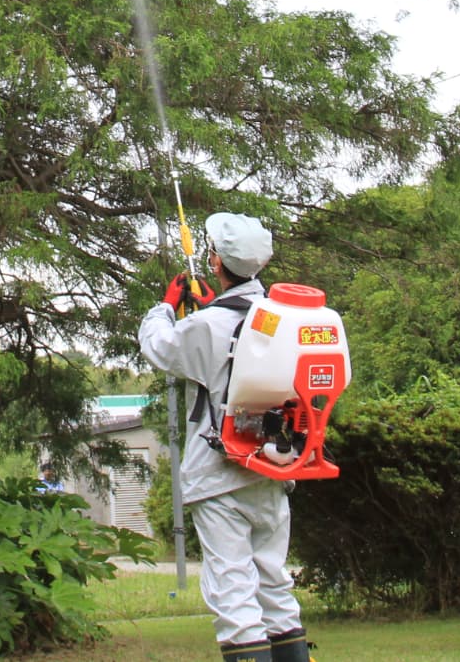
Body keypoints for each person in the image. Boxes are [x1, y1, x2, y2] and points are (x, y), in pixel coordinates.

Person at [139, 213, 310, 662]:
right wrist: (217, 306)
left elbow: (160, 346)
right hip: (272, 467)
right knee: (274, 584)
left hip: (219, 475)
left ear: (215, 261)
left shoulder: (207, 325)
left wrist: (165, 306)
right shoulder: (282, 318)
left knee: (233, 591)